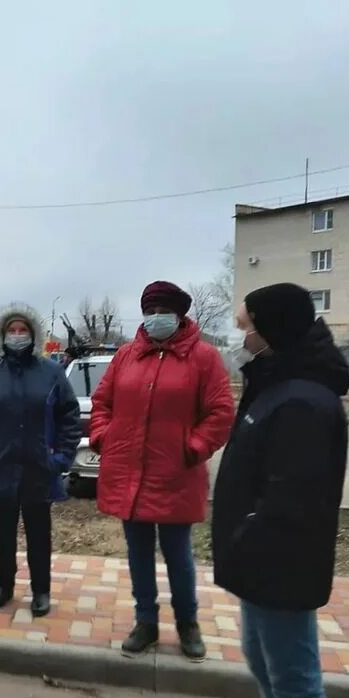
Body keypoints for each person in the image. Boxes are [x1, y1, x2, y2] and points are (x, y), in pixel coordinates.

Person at [212, 283, 349, 698]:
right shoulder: (277, 383)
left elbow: (291, 497)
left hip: (281, 562)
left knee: (297, 686)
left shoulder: (304, 401)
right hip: (257, 560)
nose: (242, 337)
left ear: (273, 329)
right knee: (264, 664)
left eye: (247, 327)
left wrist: (246, 534)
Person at [90, 281, 234, 661]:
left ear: (179, 315)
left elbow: (220, 413)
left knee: (178, 555)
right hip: (129, 475)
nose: (154, 318)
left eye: (161, 311)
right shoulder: (126, 356)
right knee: (138, 554)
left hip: (175, 476)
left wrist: (194, 448)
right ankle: (146, 622)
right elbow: (102, 401)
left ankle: (188, 625)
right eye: (148, 311)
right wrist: (104, 437)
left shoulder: (203, 358)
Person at [0, 304, 82, 617]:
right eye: (12, 331)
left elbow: (70, 416)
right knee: (2, 532)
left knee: (39, 534)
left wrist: (60, 457)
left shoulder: (51, 372)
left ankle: (41, 590)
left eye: (23, 330)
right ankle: (4, 585)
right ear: (2, 335)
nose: (17, 336)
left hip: (39, 468)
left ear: (33, 335)